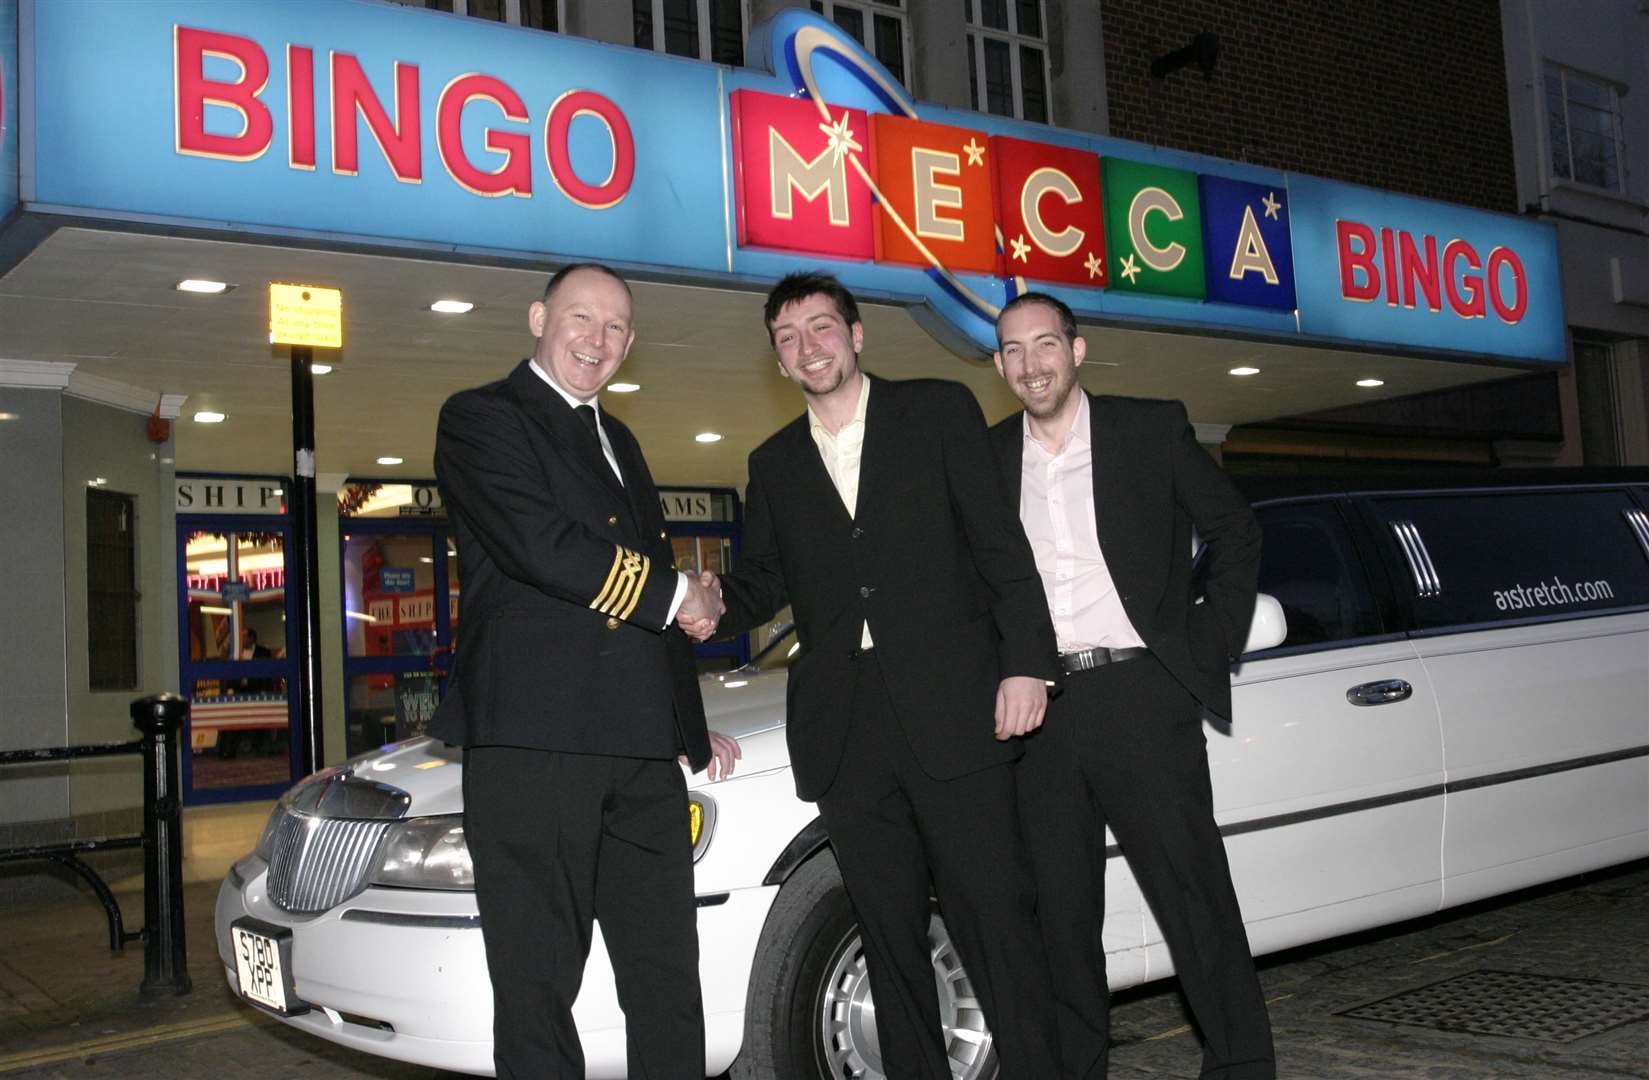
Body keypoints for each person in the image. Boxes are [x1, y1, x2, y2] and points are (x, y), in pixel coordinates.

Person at [684, 271, 1063, 1077]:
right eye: (786, 339)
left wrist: (1026, 664)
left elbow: (1000, 546)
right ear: (777, 361)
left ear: (855, 336)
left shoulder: (935, 412)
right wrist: (712, 600)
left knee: (996, 921)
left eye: (819, 328)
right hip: (847, 735)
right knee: (888, 938)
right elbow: (765, 581)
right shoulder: (775, 461)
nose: (805, 347)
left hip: (957, 717)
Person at [431, 263, 737, 1079]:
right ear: (538, 317)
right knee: (538, 986)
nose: (596, 341)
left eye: (614, 329)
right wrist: (680, 596)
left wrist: (681, 717)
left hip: (638, 751)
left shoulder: (620, 437)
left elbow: (639, 573)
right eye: (580, 319)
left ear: (630, 343)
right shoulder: (481, 418)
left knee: (668, 975)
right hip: (537, 741)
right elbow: (545, 550)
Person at [989, 291, 1274, 1079]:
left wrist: (1204, 643)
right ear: (997, 364)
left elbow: (1235, 530)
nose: (1030, 364)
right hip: (1041, 715)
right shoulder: (985, 460)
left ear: (1075, 352)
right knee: (1059, 916)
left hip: (1142, 699)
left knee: (1193, 899)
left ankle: (1243, 1065)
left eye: (1044, 345)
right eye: (1013, 350)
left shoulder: (1147, 429)